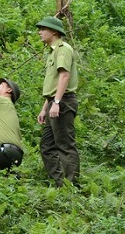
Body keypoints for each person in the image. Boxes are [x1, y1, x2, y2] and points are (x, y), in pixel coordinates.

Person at [36, 16, 80, 187]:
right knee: (47, 146)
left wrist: (57, 102)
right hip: (54, 102)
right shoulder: (53, 52)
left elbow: (64, 76)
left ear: (54, 31)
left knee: (65, 145)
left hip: (62, 102)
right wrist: (44, 108)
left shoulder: (63, 49)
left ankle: (71, 186)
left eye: (43, 29)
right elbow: (54, 85)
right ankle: (60, 182)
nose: (39, 32)